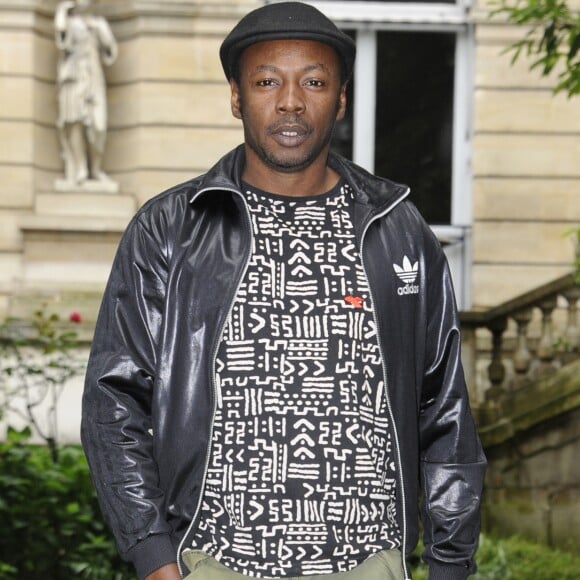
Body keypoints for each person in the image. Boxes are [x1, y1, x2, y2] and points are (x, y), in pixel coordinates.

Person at [81, 3, 486, 580]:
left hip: (369, 564)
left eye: (314, 82)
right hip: (215, 562)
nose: (291, 101)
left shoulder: (399, 229)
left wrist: (450, 566)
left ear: (340, 98)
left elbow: (443, 409)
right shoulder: (171, 228)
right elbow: (112, 401)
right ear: (236, 96)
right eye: (267, 81)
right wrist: (153, 555)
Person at [54, 0, 117, 186]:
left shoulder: (99, 24)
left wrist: (101, 33)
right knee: (74, 121)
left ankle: (95, 169)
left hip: (94, 78)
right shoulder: (69, 22)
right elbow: (61, 38)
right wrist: (61, 12)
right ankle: (80, 167)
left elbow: (110, 51)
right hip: (73, 78)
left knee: (99, 126)